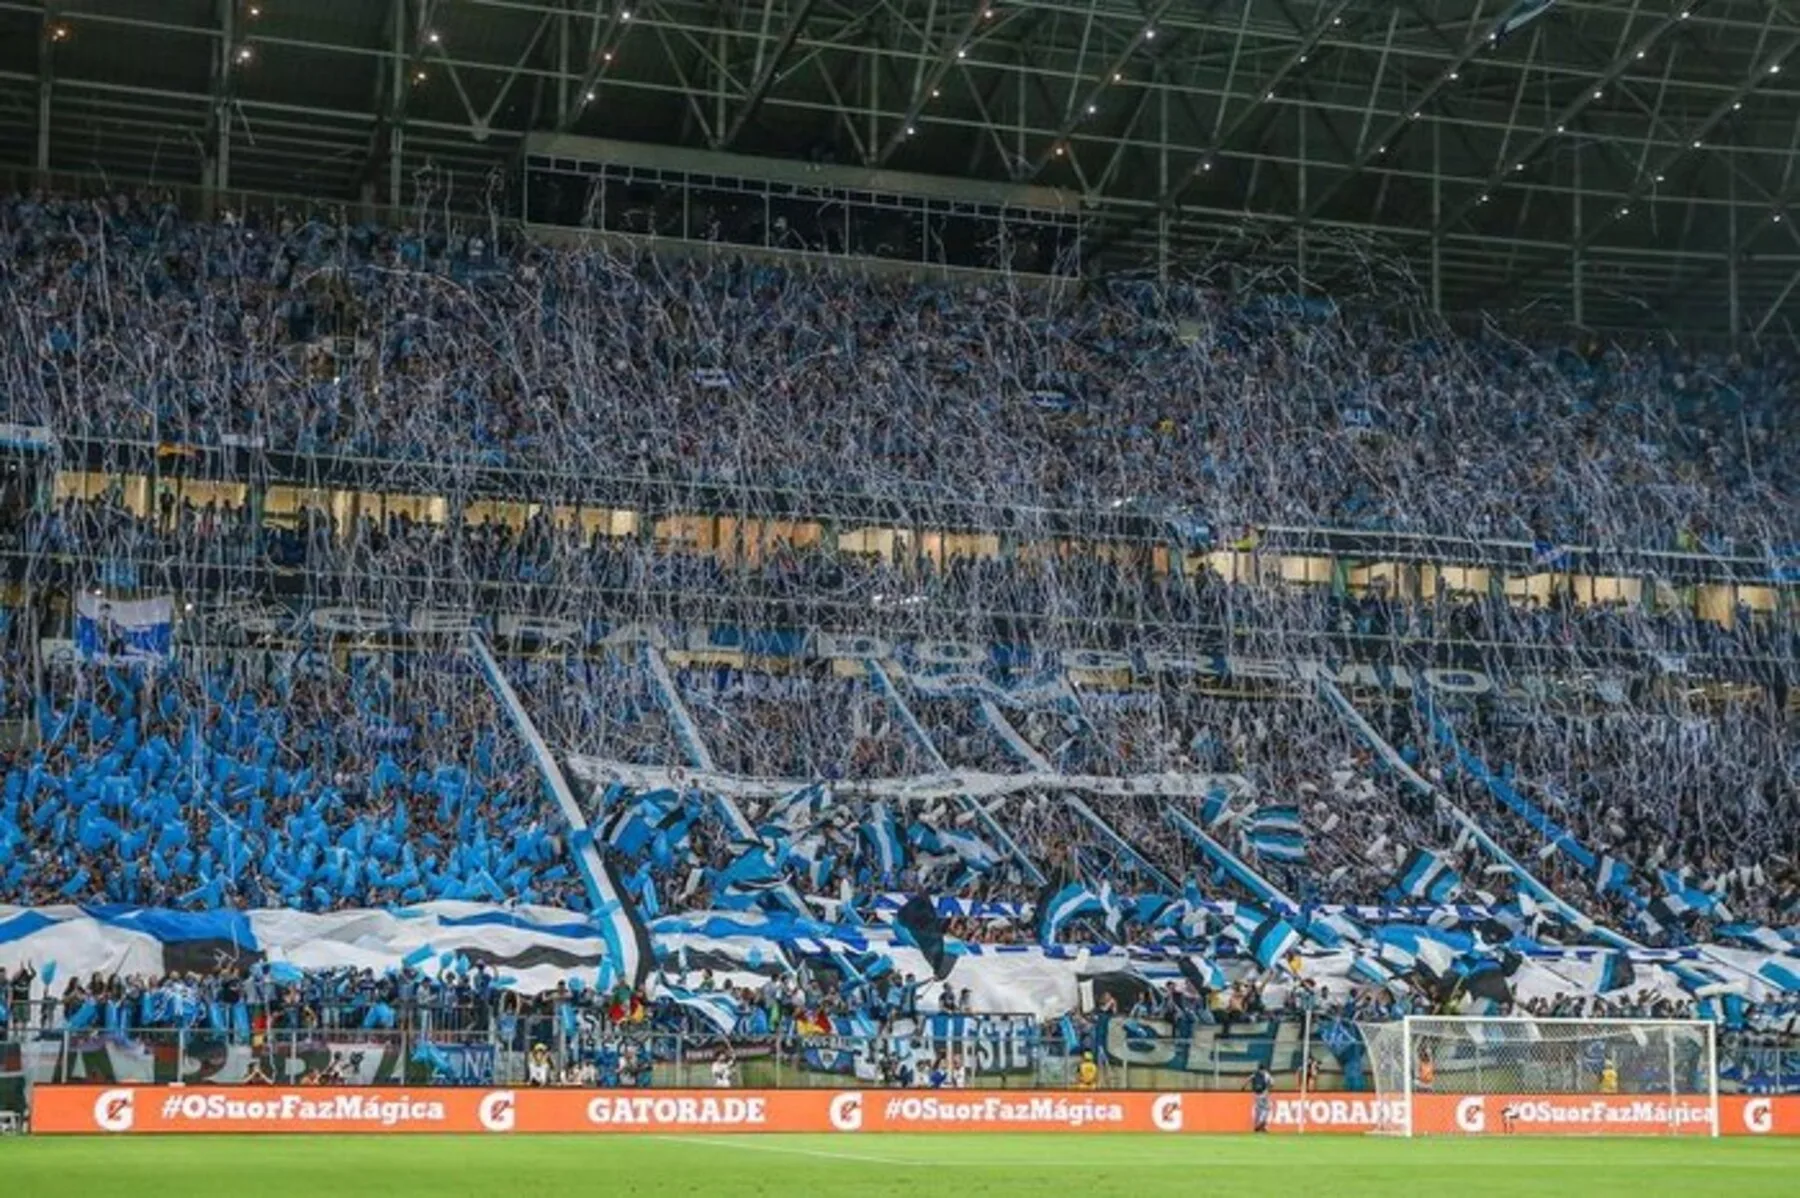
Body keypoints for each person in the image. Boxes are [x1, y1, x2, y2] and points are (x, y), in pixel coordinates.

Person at [1247, 1064, 1274, 1133]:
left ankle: (1258, 1125)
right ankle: (1261, 1124)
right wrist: (1268, 1090)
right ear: (1264, 1069)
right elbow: (1272, 1083)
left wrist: (1243, 1087)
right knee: (1266, 1109)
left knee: (1258, 1109)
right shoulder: (1266, 1075)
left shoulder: (1255, 1074)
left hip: (1256, 1095)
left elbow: (1248, 1079)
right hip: (1264, 1094)